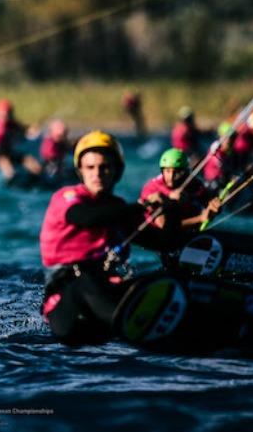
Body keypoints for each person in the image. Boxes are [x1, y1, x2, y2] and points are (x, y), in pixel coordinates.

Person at [39, 130, 183, 346]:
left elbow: (163, 242)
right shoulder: (67, 198)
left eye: (105, 167)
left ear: (116, 171)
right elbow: (87, 218)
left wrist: (172, 209)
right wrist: (141, 206)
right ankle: (134, 327)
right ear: (80, 171)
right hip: (67, 310)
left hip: (105, 301)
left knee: (154, 279)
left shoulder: (119, 209)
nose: (97, 174)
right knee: (85, 282)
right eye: (90, 167)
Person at [139, 148, 220, 231]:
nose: (171, 177)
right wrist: (199, 219)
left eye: (177, 172)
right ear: (162, 171)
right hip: (158, 235)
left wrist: (214, 206)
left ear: (185, 172)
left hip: (188, 232)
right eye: (167, 171)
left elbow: (208, 199)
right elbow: (163, 224)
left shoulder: (193, 183)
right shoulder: (152, 188)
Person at [0, 98, 42, 184]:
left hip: (10, 152)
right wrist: (23, 134)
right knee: (10, 173)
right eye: (4, 114)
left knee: (36, 167)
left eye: (8, 114)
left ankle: (34, 183)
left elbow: (22, 128)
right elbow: (3, 135)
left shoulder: (11, 123)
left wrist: (30, 129)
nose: (6, 116)